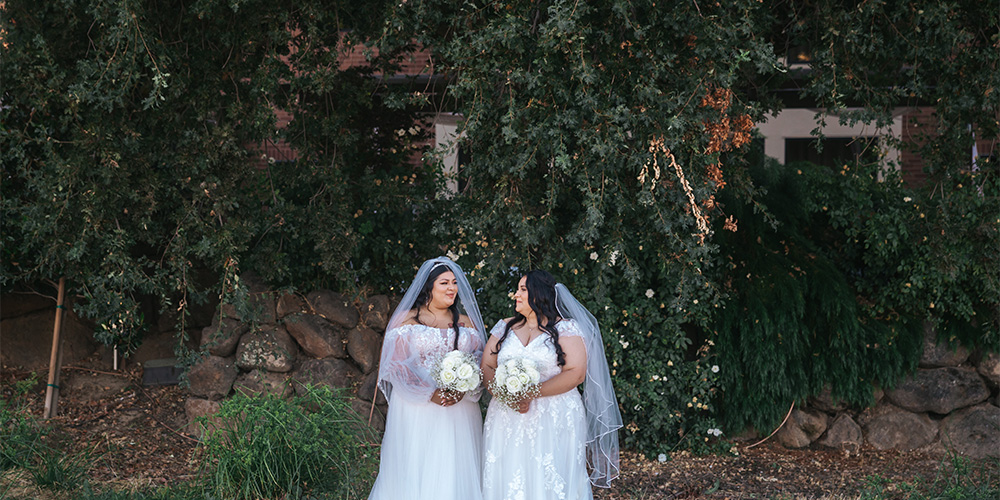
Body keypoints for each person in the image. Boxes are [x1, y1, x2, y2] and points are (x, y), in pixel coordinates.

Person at [481, 269, 622, 500]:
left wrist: (531, 393)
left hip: (554, 414)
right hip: (507, 415)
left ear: (540, 294)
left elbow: (576, 373)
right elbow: (487, 365)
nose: (516, 294)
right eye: (517, 289)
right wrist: (504, 394)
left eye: (523, 290)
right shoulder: (504, 327)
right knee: (508, 472)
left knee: (550, 475)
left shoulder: (566, 328)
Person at [368, 257, 487, 500]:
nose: (451, 288)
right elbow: (396, 365)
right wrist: (429, 393)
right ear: (429, 287)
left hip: (459, 408)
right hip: (417, 406)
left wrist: (463, 387)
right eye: (444, 283)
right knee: (419, 463)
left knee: (455, 462)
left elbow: (478, 361)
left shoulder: (466, 322)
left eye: (454, 282)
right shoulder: (406, 319)